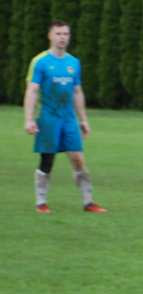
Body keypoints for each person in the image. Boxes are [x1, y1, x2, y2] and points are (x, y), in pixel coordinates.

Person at [23, 20, 107, 214]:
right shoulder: (40, 61)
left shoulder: (73, 62)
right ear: (50, 36)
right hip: (48, 117)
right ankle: (41, 202)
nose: (62, 38)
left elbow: (77, 92)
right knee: (48, 160)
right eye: (58, 34)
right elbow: (32, 90)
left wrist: (83, 119)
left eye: (66, 34)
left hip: (68, 118)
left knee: (78, 158)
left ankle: (88, 202)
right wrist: (29, 119)